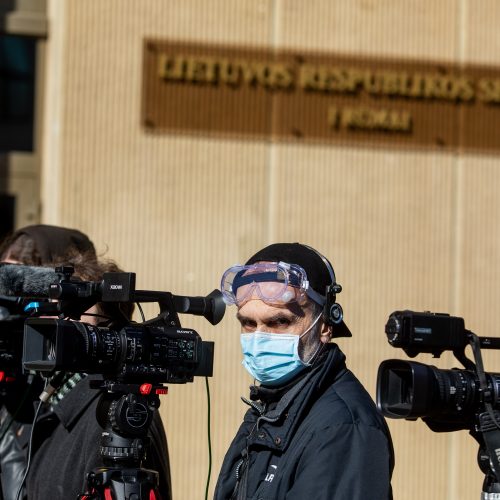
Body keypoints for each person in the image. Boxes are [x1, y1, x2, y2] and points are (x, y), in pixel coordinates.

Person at [0, 224, 172, 499]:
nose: (58, 324)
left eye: (76, 314)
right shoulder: (53, 405)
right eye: (52, 308)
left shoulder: (116, 413)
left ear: (110, 331)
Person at [214, 242, 394, 500]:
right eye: (249, 323)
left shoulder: (343, 427)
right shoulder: (273, 406)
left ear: (325, 326)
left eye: (279, 321)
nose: (260, 337)